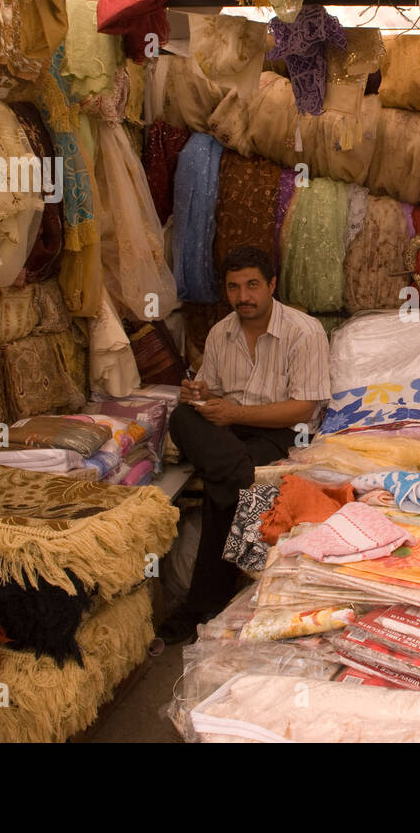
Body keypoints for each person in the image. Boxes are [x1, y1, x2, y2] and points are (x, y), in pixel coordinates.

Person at [160, 246, 329, 643]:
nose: (243, 296)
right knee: (182, 417)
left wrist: (233, 415)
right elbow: (212, 394)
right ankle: (240, 475)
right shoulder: (222, 333)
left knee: (224, 490)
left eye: (253, 285)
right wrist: (198, 393)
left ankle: (200, 608)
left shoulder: (304, 331)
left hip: (282, 430)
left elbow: (304, 408)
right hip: (231, 438)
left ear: (272, 285)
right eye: (234, 287)